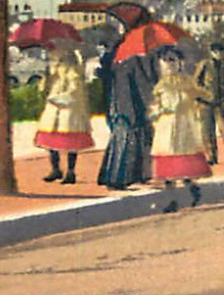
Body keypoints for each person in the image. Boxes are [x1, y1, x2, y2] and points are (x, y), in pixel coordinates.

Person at [149, 47, 210, 210]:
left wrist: (204, 99)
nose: (169, 64)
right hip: (166, 127)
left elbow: (200, 94)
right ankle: (172, 200)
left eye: (172, 60)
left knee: (183, 161)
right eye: (165, 60)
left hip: (184, 125)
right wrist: (158, 111)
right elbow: (154, 105)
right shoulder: (160, 85)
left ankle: (191, 187)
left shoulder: (186, 81)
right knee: (167, 165)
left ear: (179, 62)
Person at [97, 39, 156, 190]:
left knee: (122, 142)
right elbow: (142, 87)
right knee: (127, 143)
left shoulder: (119, 62)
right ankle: (119, 178)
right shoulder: (133, 63)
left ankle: (117, 176)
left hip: (120, 107)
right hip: (129, 108)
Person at [35, 43, 93, 183]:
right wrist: (46, 80)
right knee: (49, 140)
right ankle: (56, 169)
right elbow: (43, 90)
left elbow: (75, 92)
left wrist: (61, 98)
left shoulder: (73, 72)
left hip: (69, 112)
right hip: (53, 110)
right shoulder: (52, 75)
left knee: (70, 141)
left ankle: (71, 172)